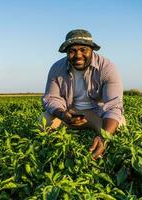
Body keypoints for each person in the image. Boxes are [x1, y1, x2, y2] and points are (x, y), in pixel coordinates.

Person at [41, 29, 125, 160]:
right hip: (70, 113)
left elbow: (113, 105)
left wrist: (104, 137)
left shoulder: (107, 67)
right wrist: (63, 114)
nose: (78, 55)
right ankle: (55, 151)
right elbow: (51, 98)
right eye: (72, 51)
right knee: (44, 121)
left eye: (83, 49)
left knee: (119, 127)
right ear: (67, 52)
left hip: (97, 113)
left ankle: (99, 139)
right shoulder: (57, 68)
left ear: (92, 50)